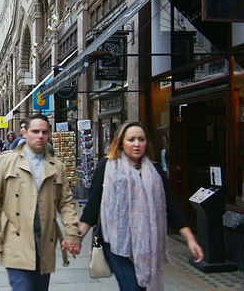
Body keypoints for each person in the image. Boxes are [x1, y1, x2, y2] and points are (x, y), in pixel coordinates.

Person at [78, 121, 203, 290]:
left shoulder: (155, 171)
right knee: (132, 288)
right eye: (131, 139)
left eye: (141, 139)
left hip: (147, 243)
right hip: (115, 241)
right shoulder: (106, 167)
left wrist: (190, 239)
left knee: (142, 287)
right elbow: (93, 207)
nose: (136, 144)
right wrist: (76, 237)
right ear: (121, 142)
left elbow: (172, 207)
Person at [0, 114, 82, 291]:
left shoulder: (57, 166)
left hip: (45, 241)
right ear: (25, 133)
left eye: (44, 132)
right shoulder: (7, 161)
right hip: (16, 240)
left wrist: (72, 233)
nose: (40, 136)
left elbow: (66, 203)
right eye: (35, 131)